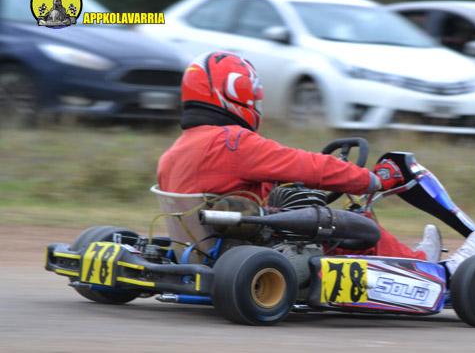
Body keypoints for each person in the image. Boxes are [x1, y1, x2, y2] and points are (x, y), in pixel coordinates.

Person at [157, 51, 442, 262]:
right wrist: (368, 179)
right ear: (233, 92)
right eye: (251, 95)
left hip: (201, 249)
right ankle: (418, 263)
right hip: (244, 249)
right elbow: (306, 164)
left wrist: (291, 187)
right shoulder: (233, 142)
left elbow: (234, 189)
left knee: (305, 207)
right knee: (356, 225)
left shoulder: (174, 151)